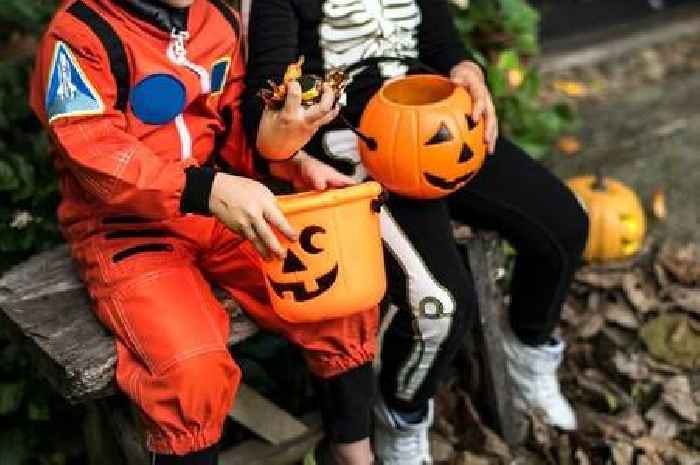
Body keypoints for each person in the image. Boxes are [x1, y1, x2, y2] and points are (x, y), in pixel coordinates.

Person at [30, 1, 379, 464]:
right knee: (189, 370)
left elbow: (231, 121)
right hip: (125, 227)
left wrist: (288, 161)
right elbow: (95, 153)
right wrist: (203, 189)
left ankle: (353, 454)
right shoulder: (80, 34)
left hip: (221, 204)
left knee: (333, 295)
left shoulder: (215, 16)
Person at [241, 1, 590, 464]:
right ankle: (402, 413)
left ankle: (528, 347)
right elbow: (265, 98)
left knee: (563, 226)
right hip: (354, 141)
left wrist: (467, 70)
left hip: (437, 122)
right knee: (439, 306)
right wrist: (291, 139)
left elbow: (442, 43)